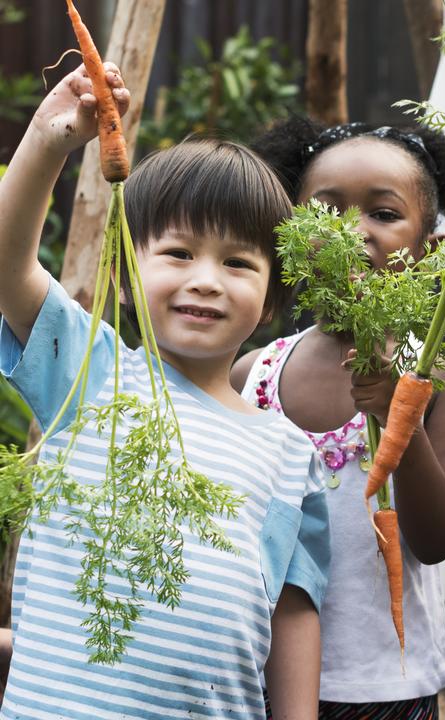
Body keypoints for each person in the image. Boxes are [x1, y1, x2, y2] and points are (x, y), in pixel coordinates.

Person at [0, 65, 328, 719]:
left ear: (271, 301)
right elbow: (8, 264)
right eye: (178, 253)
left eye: (238, 263)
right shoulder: (91, 375)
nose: (206, 279)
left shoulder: (289, 453)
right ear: (124, 276)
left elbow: (294, 616)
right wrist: (48, 140)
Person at [240, 116, 445, 719]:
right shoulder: (250, 375)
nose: (354, 233)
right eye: (327, 212)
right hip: (249, 674)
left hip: (384, 685)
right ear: (289, 234)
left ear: (428, 248)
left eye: (383, 213)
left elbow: (436, 540)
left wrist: (402, 419)